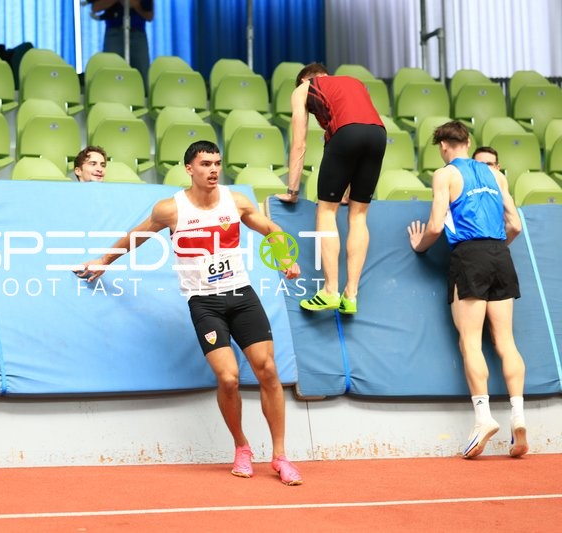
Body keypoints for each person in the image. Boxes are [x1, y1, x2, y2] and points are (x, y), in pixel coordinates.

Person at [77, 140, 304, 485]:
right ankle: (242, 446)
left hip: (241, 295)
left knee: (268, 370)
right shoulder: (171, 209)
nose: (213, 170)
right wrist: (104, 261)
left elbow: (271, 229)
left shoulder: (235, 201)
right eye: (205, 164)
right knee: (228, 378)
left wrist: (286, 258)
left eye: (217, 163)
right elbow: (138, 236)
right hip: (204, 302)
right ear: (189, 169)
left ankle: (280, 456)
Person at [407, 120, 528, 459]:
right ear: (468, 142)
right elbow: (515, 225)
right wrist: (494, 250)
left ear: (443, 146)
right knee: (506, 342)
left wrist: (419, 246)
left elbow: (435, 226)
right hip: (500, 254)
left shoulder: (445, 174)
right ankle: (518, 415)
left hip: (469, 255)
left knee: (470, 341)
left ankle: (483, 418)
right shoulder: (495, 175)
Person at [277, 62, 386, 315]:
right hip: (379, 135)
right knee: (359, 216)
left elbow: (299, 143)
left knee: (326, 211)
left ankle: (329, 290)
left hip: (346, 134)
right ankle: (351, 295)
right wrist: (346, 190)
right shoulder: (354, 82)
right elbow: (360, 125)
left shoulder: (305, 88)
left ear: (305, 80)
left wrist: (293, 191)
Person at [89, 0, 154, 89]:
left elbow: (149, 16)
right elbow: (95, 7)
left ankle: (141, 96)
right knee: (111, 72)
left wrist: (136, 5)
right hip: (114, 33)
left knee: (142, 75)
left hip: (138, 33)